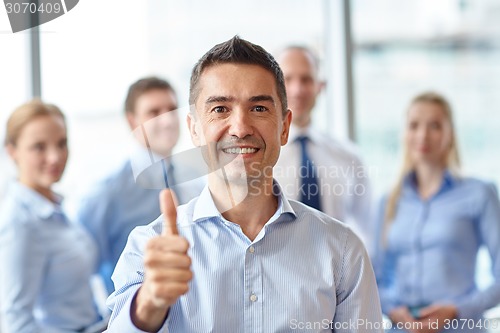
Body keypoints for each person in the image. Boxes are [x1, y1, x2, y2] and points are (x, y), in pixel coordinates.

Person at [106, 36, 383, 332]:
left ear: (285, 127)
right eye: (220, 109)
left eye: (259, 108)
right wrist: (149, 303)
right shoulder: (148, 247)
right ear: (194, 130)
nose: (240, 128)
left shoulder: (342, 251)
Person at [373, 92, 500, 332]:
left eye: (435, 126)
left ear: (451, 134)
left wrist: (457, 310)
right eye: (414, 125)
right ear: (404, 134)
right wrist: (392, 309)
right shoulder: (388, 201)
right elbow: (373, 276)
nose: (423, 135)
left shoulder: (480, 193)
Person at [75, 77, 204, 295]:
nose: (167, 121)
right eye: (154, 113)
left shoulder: (194, 180)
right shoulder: (108, 192)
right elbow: (82, 270)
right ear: (132, 121)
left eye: (172, 109)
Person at [0, 100, 103, 332]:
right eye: (39, 147)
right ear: (12, 151)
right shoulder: (20, 223)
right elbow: (17, 321)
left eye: (61, 143)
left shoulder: (53, 206)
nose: (55, 157)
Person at [274, 46, 372, 248]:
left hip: (337, 274)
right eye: (288, 79)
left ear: (321, 86)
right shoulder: (256, 156)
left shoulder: (348, 156)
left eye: (306, 80)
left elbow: (367, 228)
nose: (297, 90)